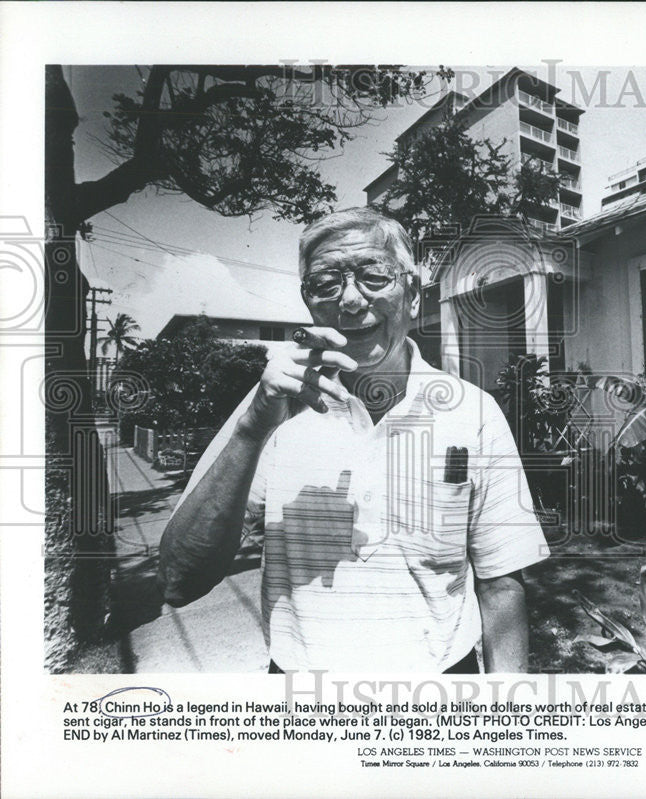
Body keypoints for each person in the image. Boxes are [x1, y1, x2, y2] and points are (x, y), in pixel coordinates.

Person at [157, 208, 549, 673]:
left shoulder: (473, 412)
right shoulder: (271, 406)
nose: (350, 301)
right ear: (309, 303)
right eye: (326, 284)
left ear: (413, 296)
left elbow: (501, 584)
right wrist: (252, 427)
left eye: (373, 276)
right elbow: (180, 579)